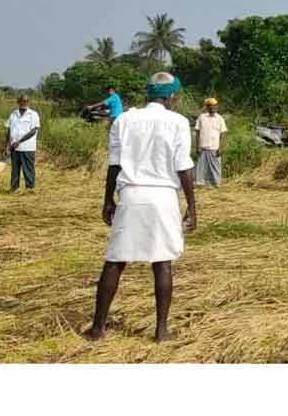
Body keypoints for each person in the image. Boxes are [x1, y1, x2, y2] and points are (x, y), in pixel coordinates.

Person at [83, 72, 196, 343]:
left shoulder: (124, 119)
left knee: (115, 261)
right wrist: (192, 207)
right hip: (163, 197)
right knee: (162, 263)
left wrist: (108, 200)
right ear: (170, 96)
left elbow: (114, 165)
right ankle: (161, 331)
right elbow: (183, 168)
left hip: (131, 195)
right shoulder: (178, 122)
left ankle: (98, 329)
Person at [4, 95, 41, 193]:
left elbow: (34, 131)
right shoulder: (13, 114)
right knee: (15, 169)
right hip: (13, 147)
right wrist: (7, 146)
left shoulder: (33, 114)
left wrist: (19, 141)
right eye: (21, 101)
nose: (23, 103)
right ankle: (14, 188)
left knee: (28, 168)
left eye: (26, 101)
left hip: (27, 147)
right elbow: (8, 130)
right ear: (18, 102)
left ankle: (30, 188)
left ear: (28, 102)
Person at [194, 98, 228, 187]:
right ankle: (200, 184)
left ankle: (216, 184)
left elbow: (223, 134)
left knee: (216, 168)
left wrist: (221, 147)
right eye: (210, 106)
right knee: (201, 168)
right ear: (207, 107)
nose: (212, 108)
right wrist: (196, 146)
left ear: (216, 107)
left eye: (214, 106)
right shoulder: (202, 117)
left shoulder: (220, 119)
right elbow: (197, 132)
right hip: (203, 148)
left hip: (215, 148)